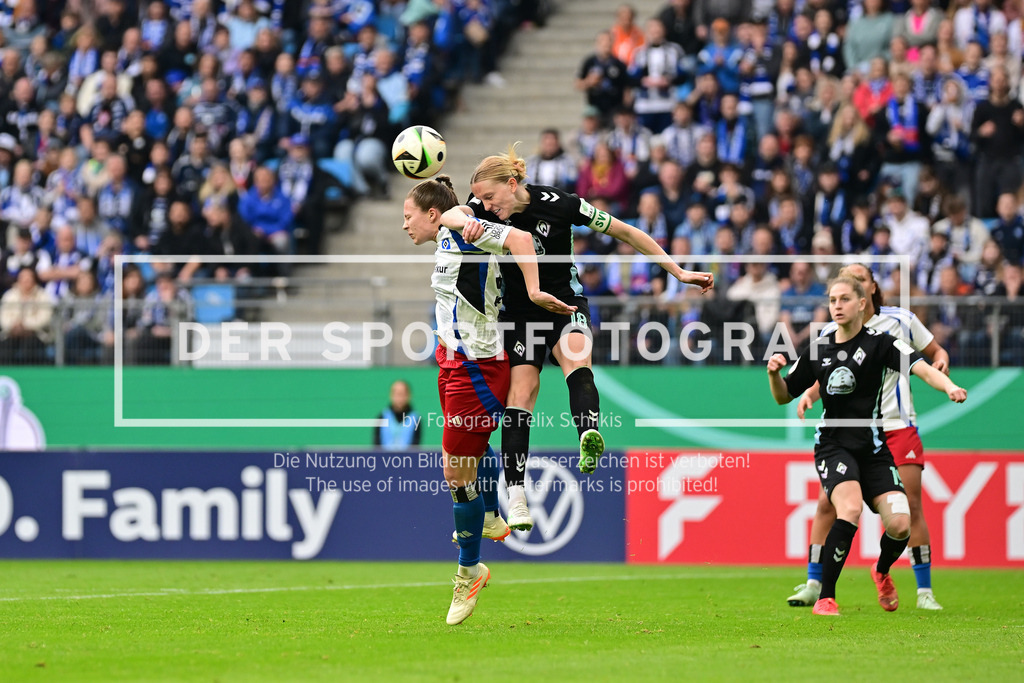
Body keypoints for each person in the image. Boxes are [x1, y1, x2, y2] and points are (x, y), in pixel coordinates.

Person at [458, 143, 713, 530]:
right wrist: (463, 216)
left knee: (577, 359)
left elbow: (625, 231)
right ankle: (517, 496)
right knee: (522, 393)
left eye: (489, 197)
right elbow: (453, 215)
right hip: (519, 313)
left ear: (512, 184)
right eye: (479, 200)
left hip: (564, 304)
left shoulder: (561, 203)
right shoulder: (480, 209)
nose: (486, 206)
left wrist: (678, 273)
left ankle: (588, 432)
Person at [401, 175, 575, 626]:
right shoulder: (445, 236)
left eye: (408, 216)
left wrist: (535, 290)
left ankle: (468, 572)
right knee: (463, 458)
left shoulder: (463, 226)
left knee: (456, 472)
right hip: (451, 362)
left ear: (433, 214)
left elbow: (518, 237)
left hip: (478, 367)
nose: (404, 226)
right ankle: (493, 513)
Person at [767, 275, 966, 616]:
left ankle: (882, 570)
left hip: (874, 448)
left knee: (900, 522)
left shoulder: (883, 343)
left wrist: (948, 387)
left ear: (862, 303)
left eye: (844, 299)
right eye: (832, 300)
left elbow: (921, 368)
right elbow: (784, 396)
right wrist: (773, 375)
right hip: (833, 445)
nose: (837, 306)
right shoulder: (819, 346)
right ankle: (826, 596)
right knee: (849, 508)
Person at [373, 379, 422, 450]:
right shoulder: (381, 417)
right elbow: (376, 446)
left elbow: (415, 447)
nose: (399, 398)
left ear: (409, 395)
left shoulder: (415, 419)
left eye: (402, 394)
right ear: (391, 395)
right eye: (397, 394)